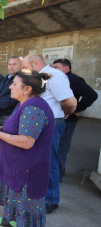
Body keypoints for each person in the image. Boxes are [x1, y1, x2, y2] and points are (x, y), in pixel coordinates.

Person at [0, 69, 55, 227]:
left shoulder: (34, 108)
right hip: (18, 167)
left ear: (27, 89)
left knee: (26, 211)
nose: (10, 87)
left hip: (28, 171)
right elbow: (17, 129)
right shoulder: (25, 104)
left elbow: (26, 141)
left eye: (14, 84)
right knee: (15, 202)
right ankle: (11, 221)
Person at [22, 54, 77, 214]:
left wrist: (64, 114)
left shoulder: (55, 75)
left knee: (49, 163)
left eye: (26, 67)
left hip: (50, 124)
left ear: (36, 63)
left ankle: (51, 200)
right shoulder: (42, 76)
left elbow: (70, 101)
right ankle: (38, 193)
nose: (24, 70)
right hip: (39, 124)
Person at [53, 58, 98, 181]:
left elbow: (92, 95)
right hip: (58, 117)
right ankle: (56, 172)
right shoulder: (58, 79)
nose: (54, 69)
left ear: (66, 68)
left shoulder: (73, 80)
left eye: (57, 67)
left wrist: (77, 108)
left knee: (62, 147)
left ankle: (58, 175)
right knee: (55, 146)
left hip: (68, 120)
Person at [0, 56, 22, 154]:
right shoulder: (7, 77)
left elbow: (11, 99)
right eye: (9, 64)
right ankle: (0, 159)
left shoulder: (20, 79)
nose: (11, 67)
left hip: (8, 114)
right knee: (0, 139)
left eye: (14, 64)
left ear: (21, 65)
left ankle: (3, 161)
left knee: (7, 140)